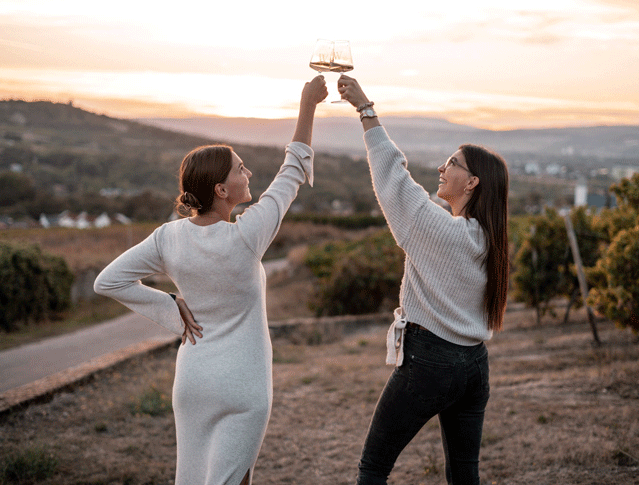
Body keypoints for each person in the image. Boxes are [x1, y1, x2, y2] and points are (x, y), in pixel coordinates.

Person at [93, 75, 328, 485]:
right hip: (243, 386)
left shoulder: (168, 237)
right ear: (222, 189)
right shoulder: (246, 236)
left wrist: (170, 307)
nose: (249, 171)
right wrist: (308, 105)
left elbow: (108, 282)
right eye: (241, 168)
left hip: (193, 382)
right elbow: (292, 172)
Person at [336, 74, 509, 485]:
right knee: (464, 473)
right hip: (474, 366)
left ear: (472, 182)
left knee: (373, 468)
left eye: (452, 163)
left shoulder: (439, 231)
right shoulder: (487, 236)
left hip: (430, 363)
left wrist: (366, 109)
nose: (441, 167)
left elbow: (393, 177)